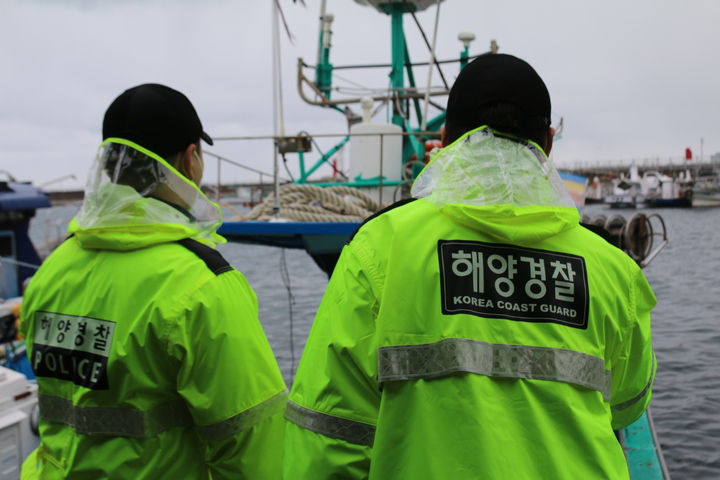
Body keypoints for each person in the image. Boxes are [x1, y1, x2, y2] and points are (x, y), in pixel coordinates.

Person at [282, 54, 657, 479]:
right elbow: (627, 403)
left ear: (443, 139)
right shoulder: (612, 268)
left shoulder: (379, 249)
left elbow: (329, 434)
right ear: (548, 143)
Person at [20, 83, 287, 479]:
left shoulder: (53, 270)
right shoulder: (201, 284)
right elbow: (252, 442)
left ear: (111, 163)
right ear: (190, 159)